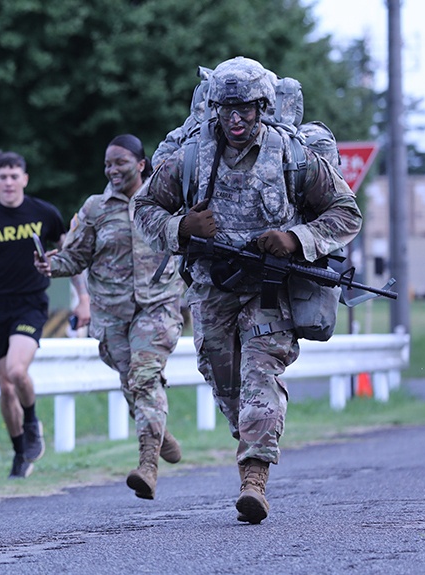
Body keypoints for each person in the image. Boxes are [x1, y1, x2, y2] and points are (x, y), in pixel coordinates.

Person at [134, 57, 362, 524]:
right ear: (214, 108)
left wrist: (295, 239)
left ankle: (254, 480)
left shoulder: (294, 157)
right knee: (223, 377)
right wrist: (182, 226)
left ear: (263, 106)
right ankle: (255, 435)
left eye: (246, 109)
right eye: (226, 109)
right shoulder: (191, 157)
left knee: (261, 375)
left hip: (270, 288)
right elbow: (144, 208)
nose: (236, 120)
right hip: (213, 285)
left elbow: (345, 212)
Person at [34, 135, 185, 500]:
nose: (113, 169)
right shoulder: (95, 209)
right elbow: (76, 257)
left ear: (141, 164)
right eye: (108, 164)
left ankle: (147, 465)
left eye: (120, 162)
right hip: (112, 313)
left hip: (158, 306)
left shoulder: (166, 202)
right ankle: (158, 431)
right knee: (131, 383)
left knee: (144, 377)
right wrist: (49, 265)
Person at [0, 151, 71, 479]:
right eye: (2, 176)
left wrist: (84, 297)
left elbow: (73, 252)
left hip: (31, 303)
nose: (8, 182)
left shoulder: (44, 213)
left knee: (18, 373)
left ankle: (32, 423)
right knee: (5, 388)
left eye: (14, 175)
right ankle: (20, 452)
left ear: (25, 179)